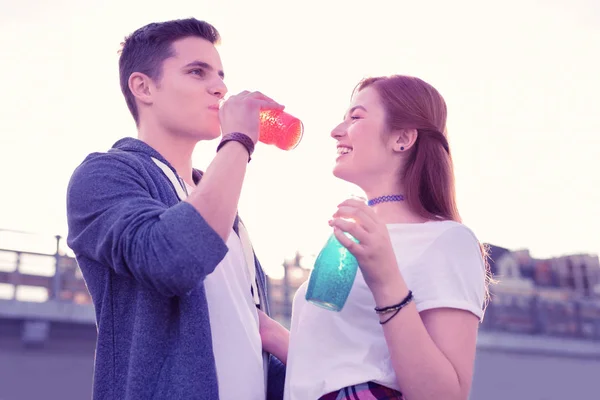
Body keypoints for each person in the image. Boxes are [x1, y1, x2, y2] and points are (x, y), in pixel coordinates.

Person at [66, 18, 288, 400]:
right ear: (143, 87)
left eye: (220, 75)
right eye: (197, 72)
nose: (219, 87)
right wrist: (237, 140)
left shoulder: (225, 208)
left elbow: (247, 332)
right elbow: (174, 258)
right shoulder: (104, 175)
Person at [283, 75, 491, 400]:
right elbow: (336, 366)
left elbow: (445, 396)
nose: (336, 131)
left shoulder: (448, 240)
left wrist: (386, 281)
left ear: (403, 139)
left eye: (356, 117)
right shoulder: (350, 237)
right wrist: (267, 332)